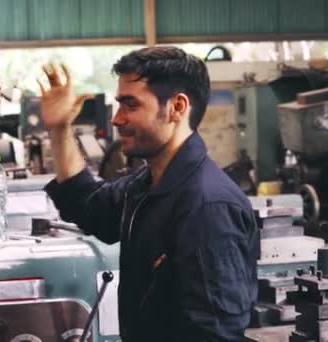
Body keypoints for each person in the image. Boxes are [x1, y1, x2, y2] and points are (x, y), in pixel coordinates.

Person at [40, 47, 258, 341]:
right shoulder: (147, 184)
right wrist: (59, 128)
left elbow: (213, 335)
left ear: (177, 107)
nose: (117, 119)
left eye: (130, 105)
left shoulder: (207, 207)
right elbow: (88, 208)